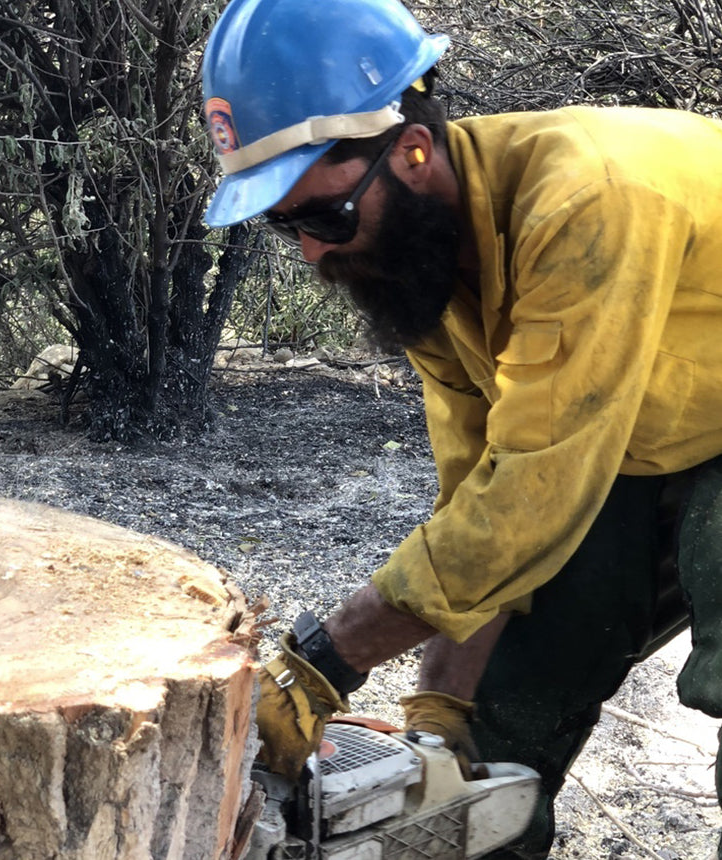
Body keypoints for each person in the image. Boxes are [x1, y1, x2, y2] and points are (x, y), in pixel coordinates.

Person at [201, 0, 722, 856]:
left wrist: (326, 661)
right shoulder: (430, 261)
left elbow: (533, 493)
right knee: (509, 712)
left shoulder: (586, 198)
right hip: (658, 429)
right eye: (283, 224)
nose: (310, 255)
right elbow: (479, 504)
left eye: (325, 219)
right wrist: (438, 725)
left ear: (410, 151)